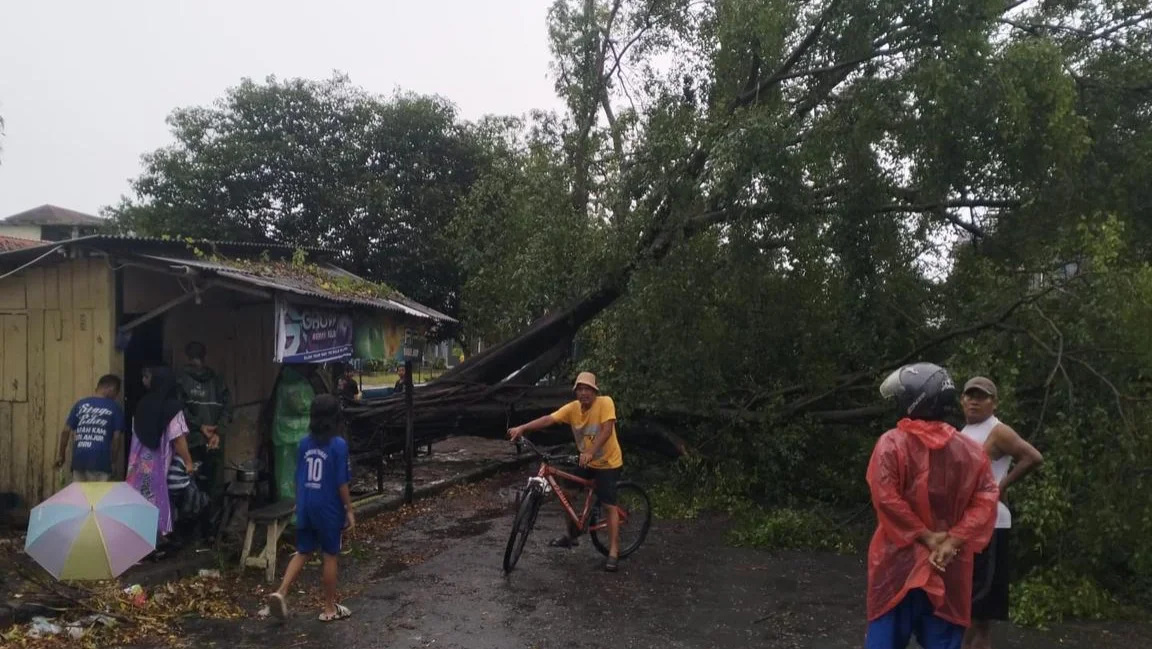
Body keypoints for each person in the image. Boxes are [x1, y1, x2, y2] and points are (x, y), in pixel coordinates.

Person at [866, 362, 1000, 649]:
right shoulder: (971, 452)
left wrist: (925, 536)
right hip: (948, 568)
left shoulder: (892, 444)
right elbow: (987, 500)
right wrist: (952, 540)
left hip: (895, 566)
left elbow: (885, 497)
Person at [508, 371, 624, 572]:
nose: (584, 393)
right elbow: (548, 419)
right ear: (576, 392)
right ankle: (572, 536)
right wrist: (522, 428)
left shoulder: (605, 403)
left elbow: (606, 431)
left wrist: (590, 452)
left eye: (588, 389)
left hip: (607, 463)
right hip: (586, 461)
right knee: (566, 495)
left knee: (608, 505)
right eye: (580, 389)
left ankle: (613, 551)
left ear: (595, 391)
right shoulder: (573, 409)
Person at [960, 377, 1044, 649]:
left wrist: (999, 486)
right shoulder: (963, 431)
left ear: (994, 402)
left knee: (975, 605)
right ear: (962, 400)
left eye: (982, 396)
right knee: (980, 614)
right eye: (969, 395)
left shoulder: (998, 431)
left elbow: (1033, 457)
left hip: (992, 525)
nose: (974, 400)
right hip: (968, 524)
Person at [267, 394, 355, 622]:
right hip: (328, 508)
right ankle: (328, 608)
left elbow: (298, 478)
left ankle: (281, 592)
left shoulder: (304, 443)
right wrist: (349, 509)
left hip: (306, 503)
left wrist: (299, 502)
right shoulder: (338, 445)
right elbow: (341, 482)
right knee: (330, 555)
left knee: (303, 551)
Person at [127, 366, 195, 545]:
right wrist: (189, 463)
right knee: (157, 496)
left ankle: (136, 538)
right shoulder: (172, 406)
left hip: (137, 461)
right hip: (156, 461)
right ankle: (156, 539)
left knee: (139, 496)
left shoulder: (142, 403)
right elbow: (178, 439)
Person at [176, 341, 232, 493]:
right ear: (204, 356)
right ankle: (212, 516)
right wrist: (218, 431)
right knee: (212, 485)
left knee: (190, 485)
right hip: (214, 442)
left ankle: (194, 515)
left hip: (189, 442)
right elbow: (228, 409)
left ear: (186, 356)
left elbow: (178, 410)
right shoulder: (218, 381)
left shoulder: (180, 380)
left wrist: (199, 426)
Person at [55, 375, 126, 482]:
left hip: (79, 459)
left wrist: (61, 455)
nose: (116, 396)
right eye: (116, 392)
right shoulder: (115, 408)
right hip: (100, 460)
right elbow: (116, 439)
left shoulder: (80, 405)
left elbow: (65, 431)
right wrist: (113, 462)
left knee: (80, 496)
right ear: (111, 389)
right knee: (99, 497)